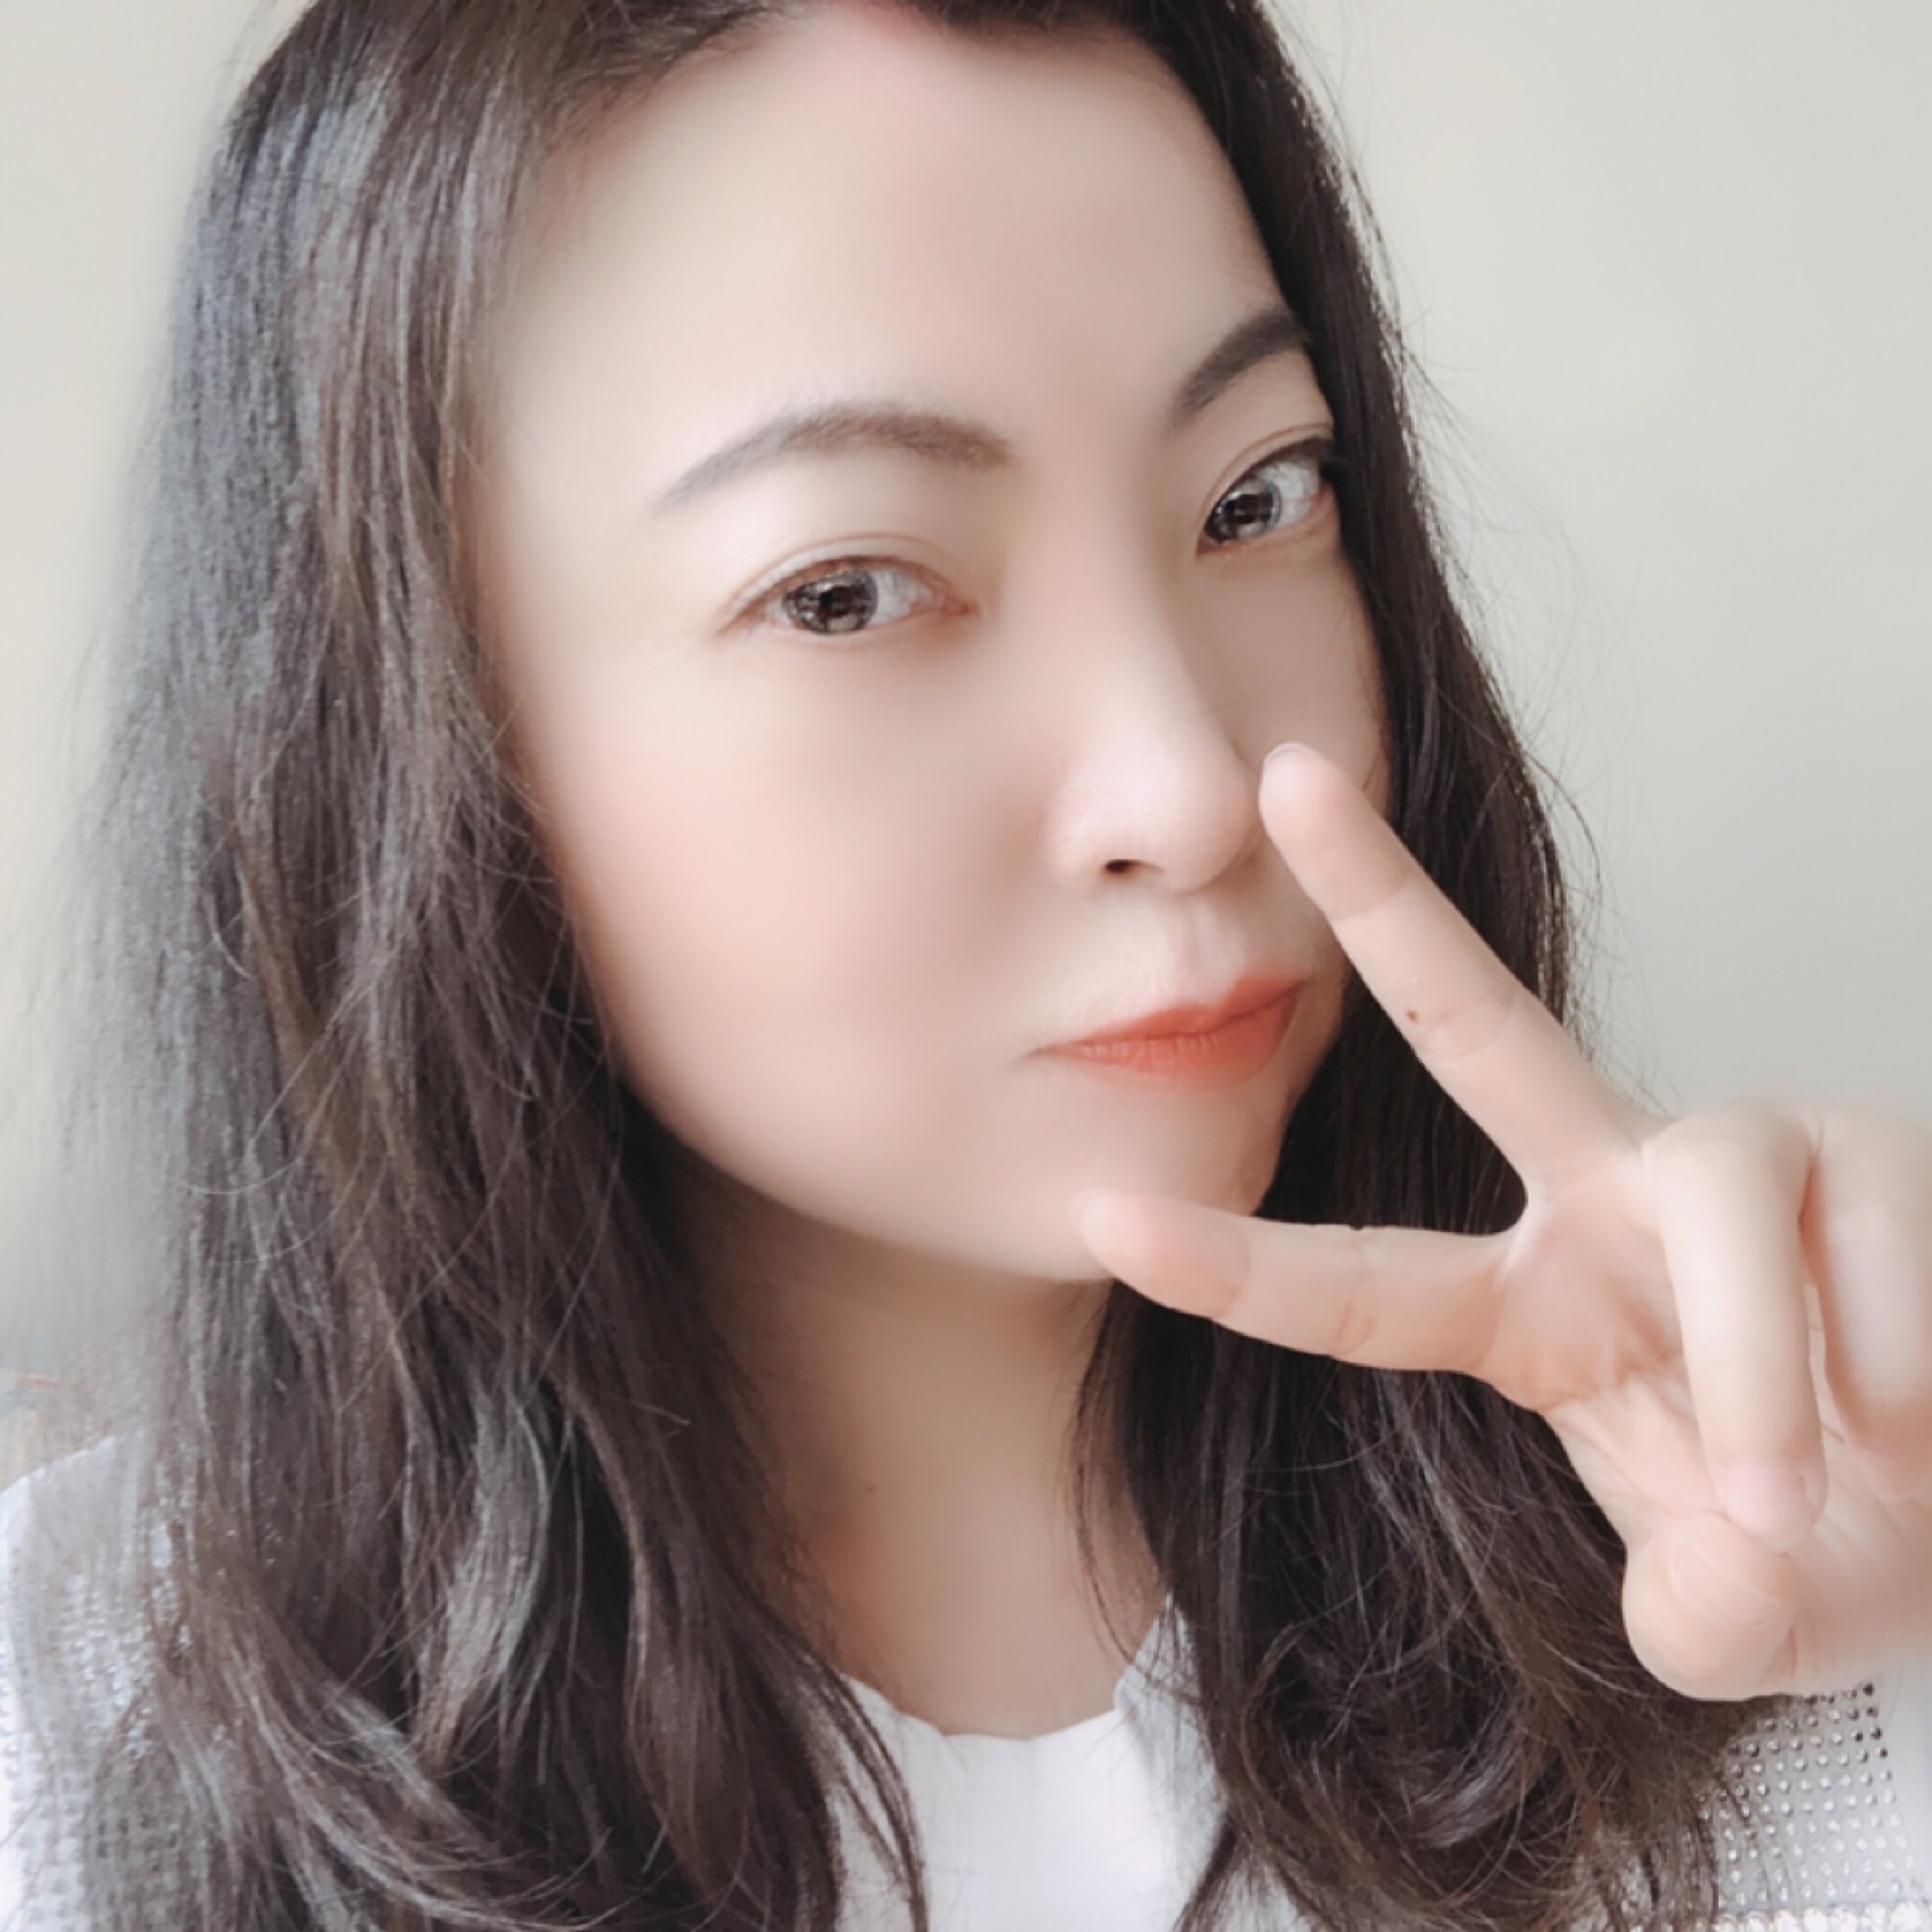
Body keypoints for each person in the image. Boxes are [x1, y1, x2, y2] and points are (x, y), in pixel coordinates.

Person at [2, 1, 1928, 1928]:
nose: (1188, 785)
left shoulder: (1772, 1572)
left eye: (1256, 496)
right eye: (847, 590)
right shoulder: (71, 1754)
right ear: (409, 733)